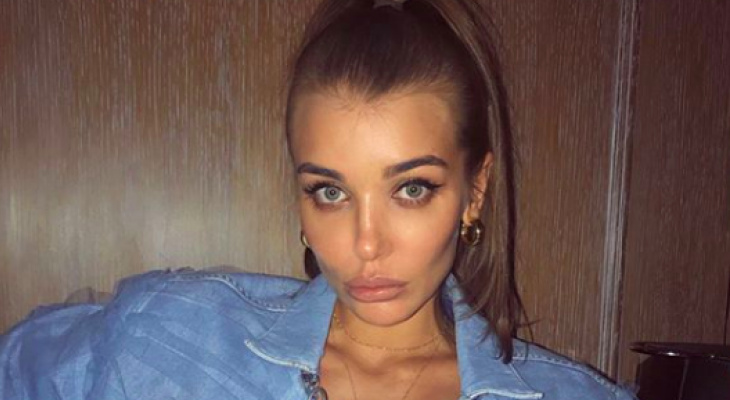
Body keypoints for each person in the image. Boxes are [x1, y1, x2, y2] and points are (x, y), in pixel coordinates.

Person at [0, 0, 637, 399]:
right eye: (330, 192)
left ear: (475, 191)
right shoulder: (168, 333)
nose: (366, 243)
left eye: (411, 189)